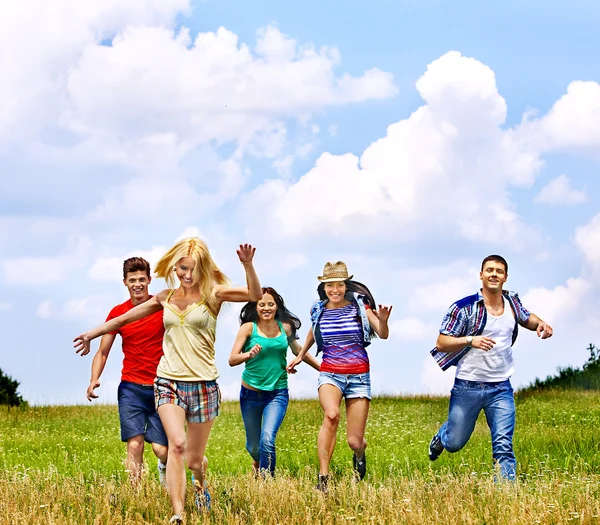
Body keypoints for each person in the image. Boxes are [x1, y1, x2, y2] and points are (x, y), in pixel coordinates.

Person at [74, 238, 262, 524]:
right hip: (167, 382)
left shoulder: (214, 293)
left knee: (193, 460)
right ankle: (179, 514)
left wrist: (248, 265)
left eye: (194, 269)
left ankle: (201, 486)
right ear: (175, 267)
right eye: (183, 268)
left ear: (203, 268)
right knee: (175, 445)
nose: (187, 275)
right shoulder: (164, 297)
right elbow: (121, 320)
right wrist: (91, 333)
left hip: (202, 384)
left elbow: (254, 294)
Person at [428, 254, 554, 480]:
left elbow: (526, 318)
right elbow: (441, 342)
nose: (494, 274)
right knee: (455, 443)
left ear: (505, 277)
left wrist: (541, 323)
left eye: (498, 271)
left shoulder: (512, 302)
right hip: (468, 386)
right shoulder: (464, 308)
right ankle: (443, 436)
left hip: (501, 388)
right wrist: (470, 339)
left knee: (503, 446)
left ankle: (505, 498)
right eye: (489, 270)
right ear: (481, 275)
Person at [287, 261, 392, 492]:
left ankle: (360, 453)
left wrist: (382, 321)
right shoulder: (318, 309)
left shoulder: (359, 306)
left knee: (354, 441)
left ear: (346, 286)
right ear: (323, 287)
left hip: (358, 376)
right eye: (329, 285)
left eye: (339, 285)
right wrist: (300, 355)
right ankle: (323, 478)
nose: (334, 290)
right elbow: (313, 334)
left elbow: (382, 334)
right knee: (331, 415)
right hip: (330, 373)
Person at [76, 257, 168, 485]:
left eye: (141, 279)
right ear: (125, 282)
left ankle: (165, 470)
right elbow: (103, 351)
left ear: (149, 280)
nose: (137, 284)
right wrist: (93, 379)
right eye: (132, 280)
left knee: (161, 450)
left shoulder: (162, 306)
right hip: (131, 387)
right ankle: (134, 494)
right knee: (134, 444)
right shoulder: (118, 313)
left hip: (162, 386)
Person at [228, 287, 320, 477]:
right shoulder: (248, 328)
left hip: (277, 393)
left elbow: (298, 350)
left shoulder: (284, 328)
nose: (266, 308)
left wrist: (324, 369)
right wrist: (249, 354)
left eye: (271, 304)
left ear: (277, 306)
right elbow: (232, 359)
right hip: (250, 394)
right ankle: (257, 462)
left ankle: (266, 483)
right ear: (256, 306)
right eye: (262, 304)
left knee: (267, 439)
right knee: (253, 446)